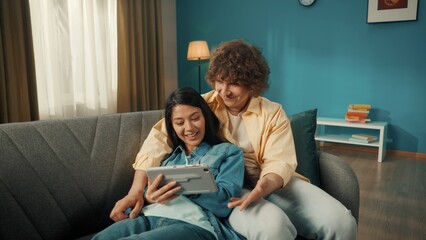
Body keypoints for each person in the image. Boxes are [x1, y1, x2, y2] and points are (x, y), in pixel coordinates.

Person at [111, 40, 358, 240]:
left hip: (272, 182)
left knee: (341, 222)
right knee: (273, 228)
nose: (224, 90)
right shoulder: (202, 105)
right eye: (220, 81)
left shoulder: (272, 113)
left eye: (235, 83)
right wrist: (136, 192)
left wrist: (262, 188)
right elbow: (157, 141)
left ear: (253, 84)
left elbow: (279, 163)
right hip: (230, 187)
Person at [94, 87, 245, 240]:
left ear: (205, 116)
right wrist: (150, 198)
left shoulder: (228, 152)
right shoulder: (169, 159)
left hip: (193, 224)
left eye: (195, 118)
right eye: (180, 122)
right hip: (149, 216)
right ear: (171, 126)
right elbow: (146, 197)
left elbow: (224, 204)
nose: (189, 128)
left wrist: (189, 186)